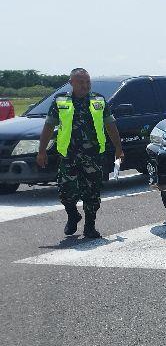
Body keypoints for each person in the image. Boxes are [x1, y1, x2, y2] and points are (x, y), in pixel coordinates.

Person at [36, 68, 124, 238]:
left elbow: (110, 125)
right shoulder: (61, 101)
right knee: (65, 191)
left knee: (92, 192)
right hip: (68, 155)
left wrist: (118, 149)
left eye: (87, 82)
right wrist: (42, 151)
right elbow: (49, 126)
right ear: (71, 83)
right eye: (81, 82)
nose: (85, 85)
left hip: (93, 155)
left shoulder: (98, 100)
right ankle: (73, 215)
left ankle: (90, 226)